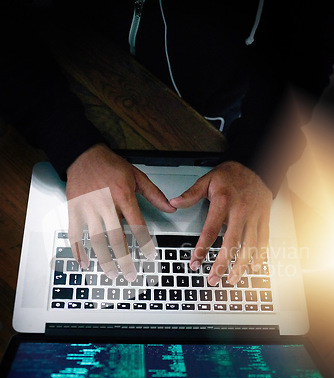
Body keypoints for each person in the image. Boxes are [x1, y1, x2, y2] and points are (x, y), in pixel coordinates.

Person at [1, 0, 333, 285]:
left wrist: (259, 159)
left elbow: (307, 49)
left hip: (221, 116)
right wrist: (73, 146)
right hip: (85, 70)